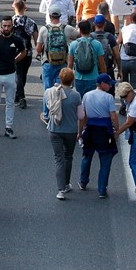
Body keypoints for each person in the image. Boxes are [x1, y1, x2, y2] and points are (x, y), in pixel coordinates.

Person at [42, 67, 84, 200]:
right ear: (72, 80)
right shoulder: (76, 95)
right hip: (71, 131)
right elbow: (81, 115)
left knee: (58, 158)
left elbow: (46, 111)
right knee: (68, 156)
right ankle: (66, 183)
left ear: (60, 78)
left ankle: (61, 189)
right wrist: (80, 132)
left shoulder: (49, 92)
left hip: (54, 130)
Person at [0, 16, 27, 138]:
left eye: (8, 26)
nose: (6, 28)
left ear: (12, 27)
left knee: (10, 103)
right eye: (4, 26)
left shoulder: (17, 39)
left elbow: (24, 52)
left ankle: (9, 128)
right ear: (1, 26)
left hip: (10, 74)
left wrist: (14, 61)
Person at [79, 73, 120, 197]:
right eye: (108, 84)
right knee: (105, 161)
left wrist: (80, 132)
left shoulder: (87, 95)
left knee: (86, 156)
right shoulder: (108, 98)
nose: (110, 86)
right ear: (102, 84)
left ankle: (83, 181)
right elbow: (113, 116)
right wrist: (116, 131)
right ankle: (102, 189)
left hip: (90, 129)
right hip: (104, 131)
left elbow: (83, 116)